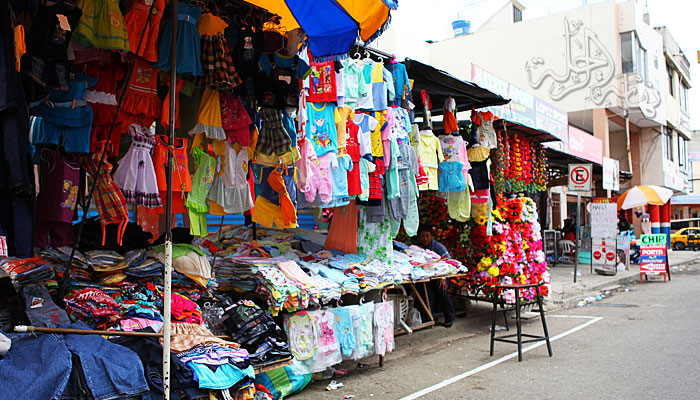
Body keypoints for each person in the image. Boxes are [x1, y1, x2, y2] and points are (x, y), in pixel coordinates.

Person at [416, 224, 456, 328]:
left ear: (432, 236)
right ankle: (426, 317)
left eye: (427, 236)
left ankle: (449, 317)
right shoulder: (416, 247)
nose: (425, 239)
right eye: (422, 236)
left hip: (441, 275)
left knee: (442, 291)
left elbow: (449, 262)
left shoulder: (438, 247)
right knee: (419, 291)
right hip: (425, 276)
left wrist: (442, 278)